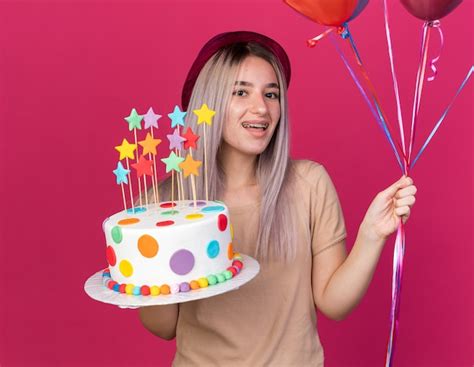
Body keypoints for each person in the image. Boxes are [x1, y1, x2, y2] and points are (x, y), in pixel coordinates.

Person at [139, 31, 417, 366]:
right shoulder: (168, 202)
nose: (262, 108)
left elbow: (333, 302)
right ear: (208, 105)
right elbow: (162, 325)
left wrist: (371, 235)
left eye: (272, 94)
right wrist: (155, 263)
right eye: (241, 92)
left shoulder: (308, 184)